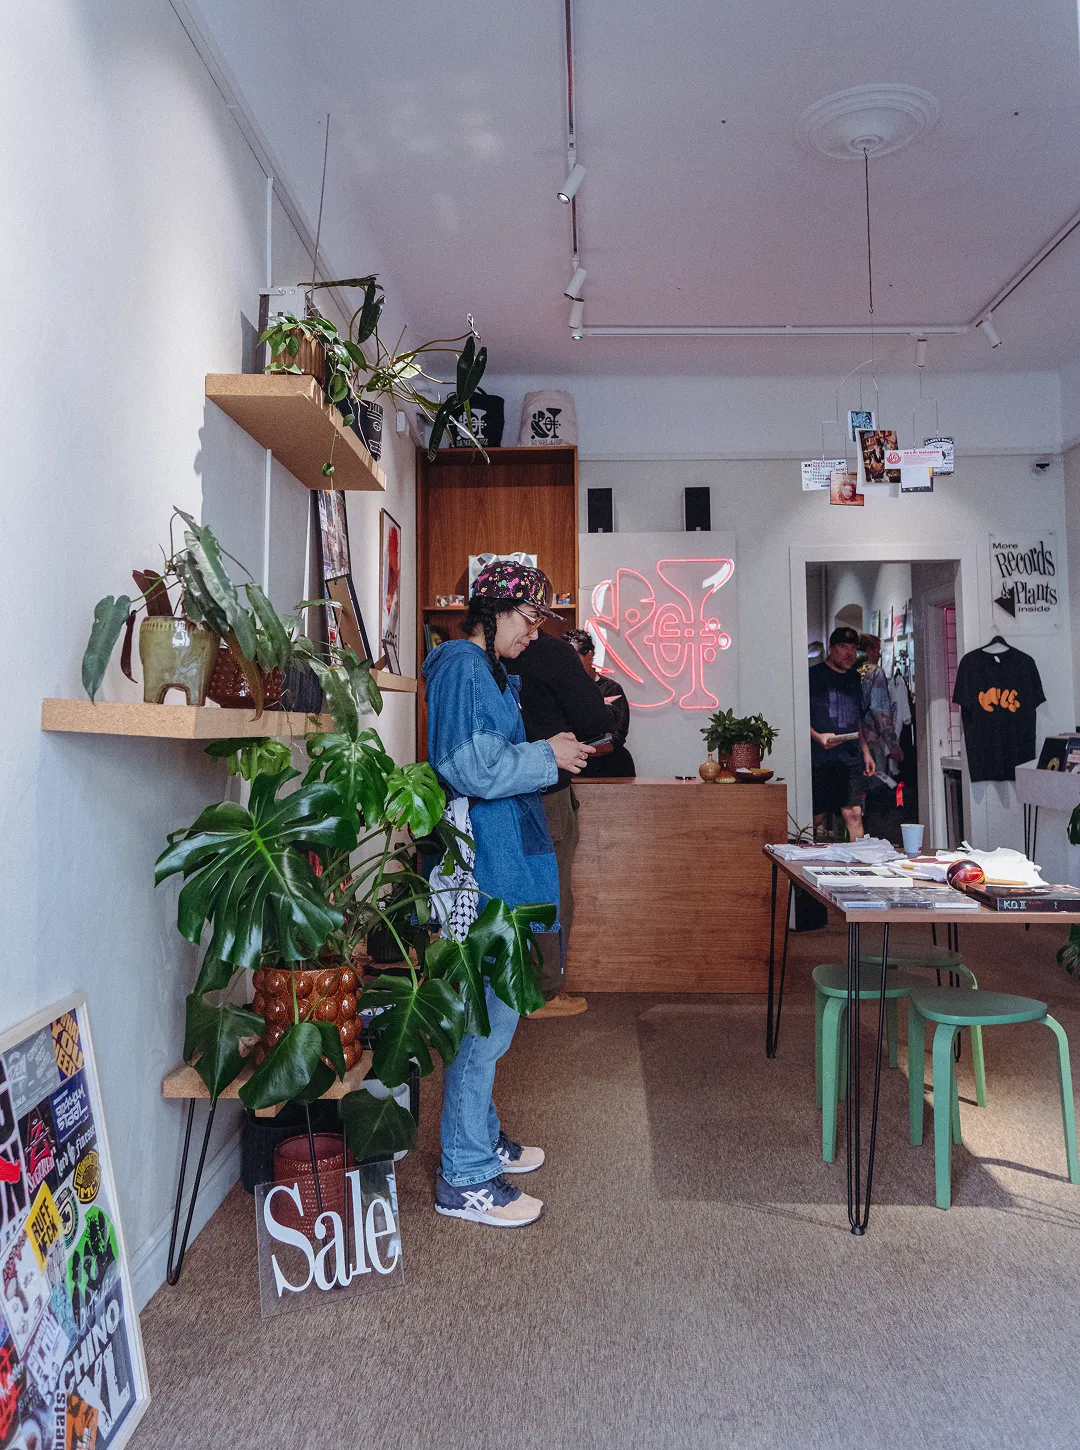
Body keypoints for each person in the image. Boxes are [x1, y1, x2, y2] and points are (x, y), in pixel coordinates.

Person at [423, 560, 594, 1227]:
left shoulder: (485, 667)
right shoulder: (464, 667)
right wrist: (549, 752)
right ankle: (465, 1175)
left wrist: (548, 753)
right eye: (527, 620)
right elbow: (469, 767)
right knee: (484, 1023)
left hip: (502, 857)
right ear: (492, 612)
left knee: (491, 1013)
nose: (534, 635)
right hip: (484, 866)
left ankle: (481, 1139)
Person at [514, 625, 619, 1016]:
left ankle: (511, 986)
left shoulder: (481, 657)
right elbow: (595, 720)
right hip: (546, 789)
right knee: (551, 889)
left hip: (499, 787)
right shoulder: (552, 653)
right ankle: (544, 993)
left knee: (513, 887)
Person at [808, 625, 876, 840]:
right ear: (832, 648)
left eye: (853, 648)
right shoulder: (813, 676)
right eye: (843, 647)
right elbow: (797, 716)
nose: (849, 653)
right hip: (820, 758)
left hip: (850, 757)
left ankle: (861, 865)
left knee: (854, 813)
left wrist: (866, 752)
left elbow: (858, 719)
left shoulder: (855, 678)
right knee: (814, 816)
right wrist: (818, 737)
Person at [563, 628, 636, 779]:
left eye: (573, 657)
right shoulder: (560, 690)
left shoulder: (611, 689)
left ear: (589, 656)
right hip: (572, 771)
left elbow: (616, 737)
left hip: (611, 770)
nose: (567, 663)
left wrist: (578, 748)